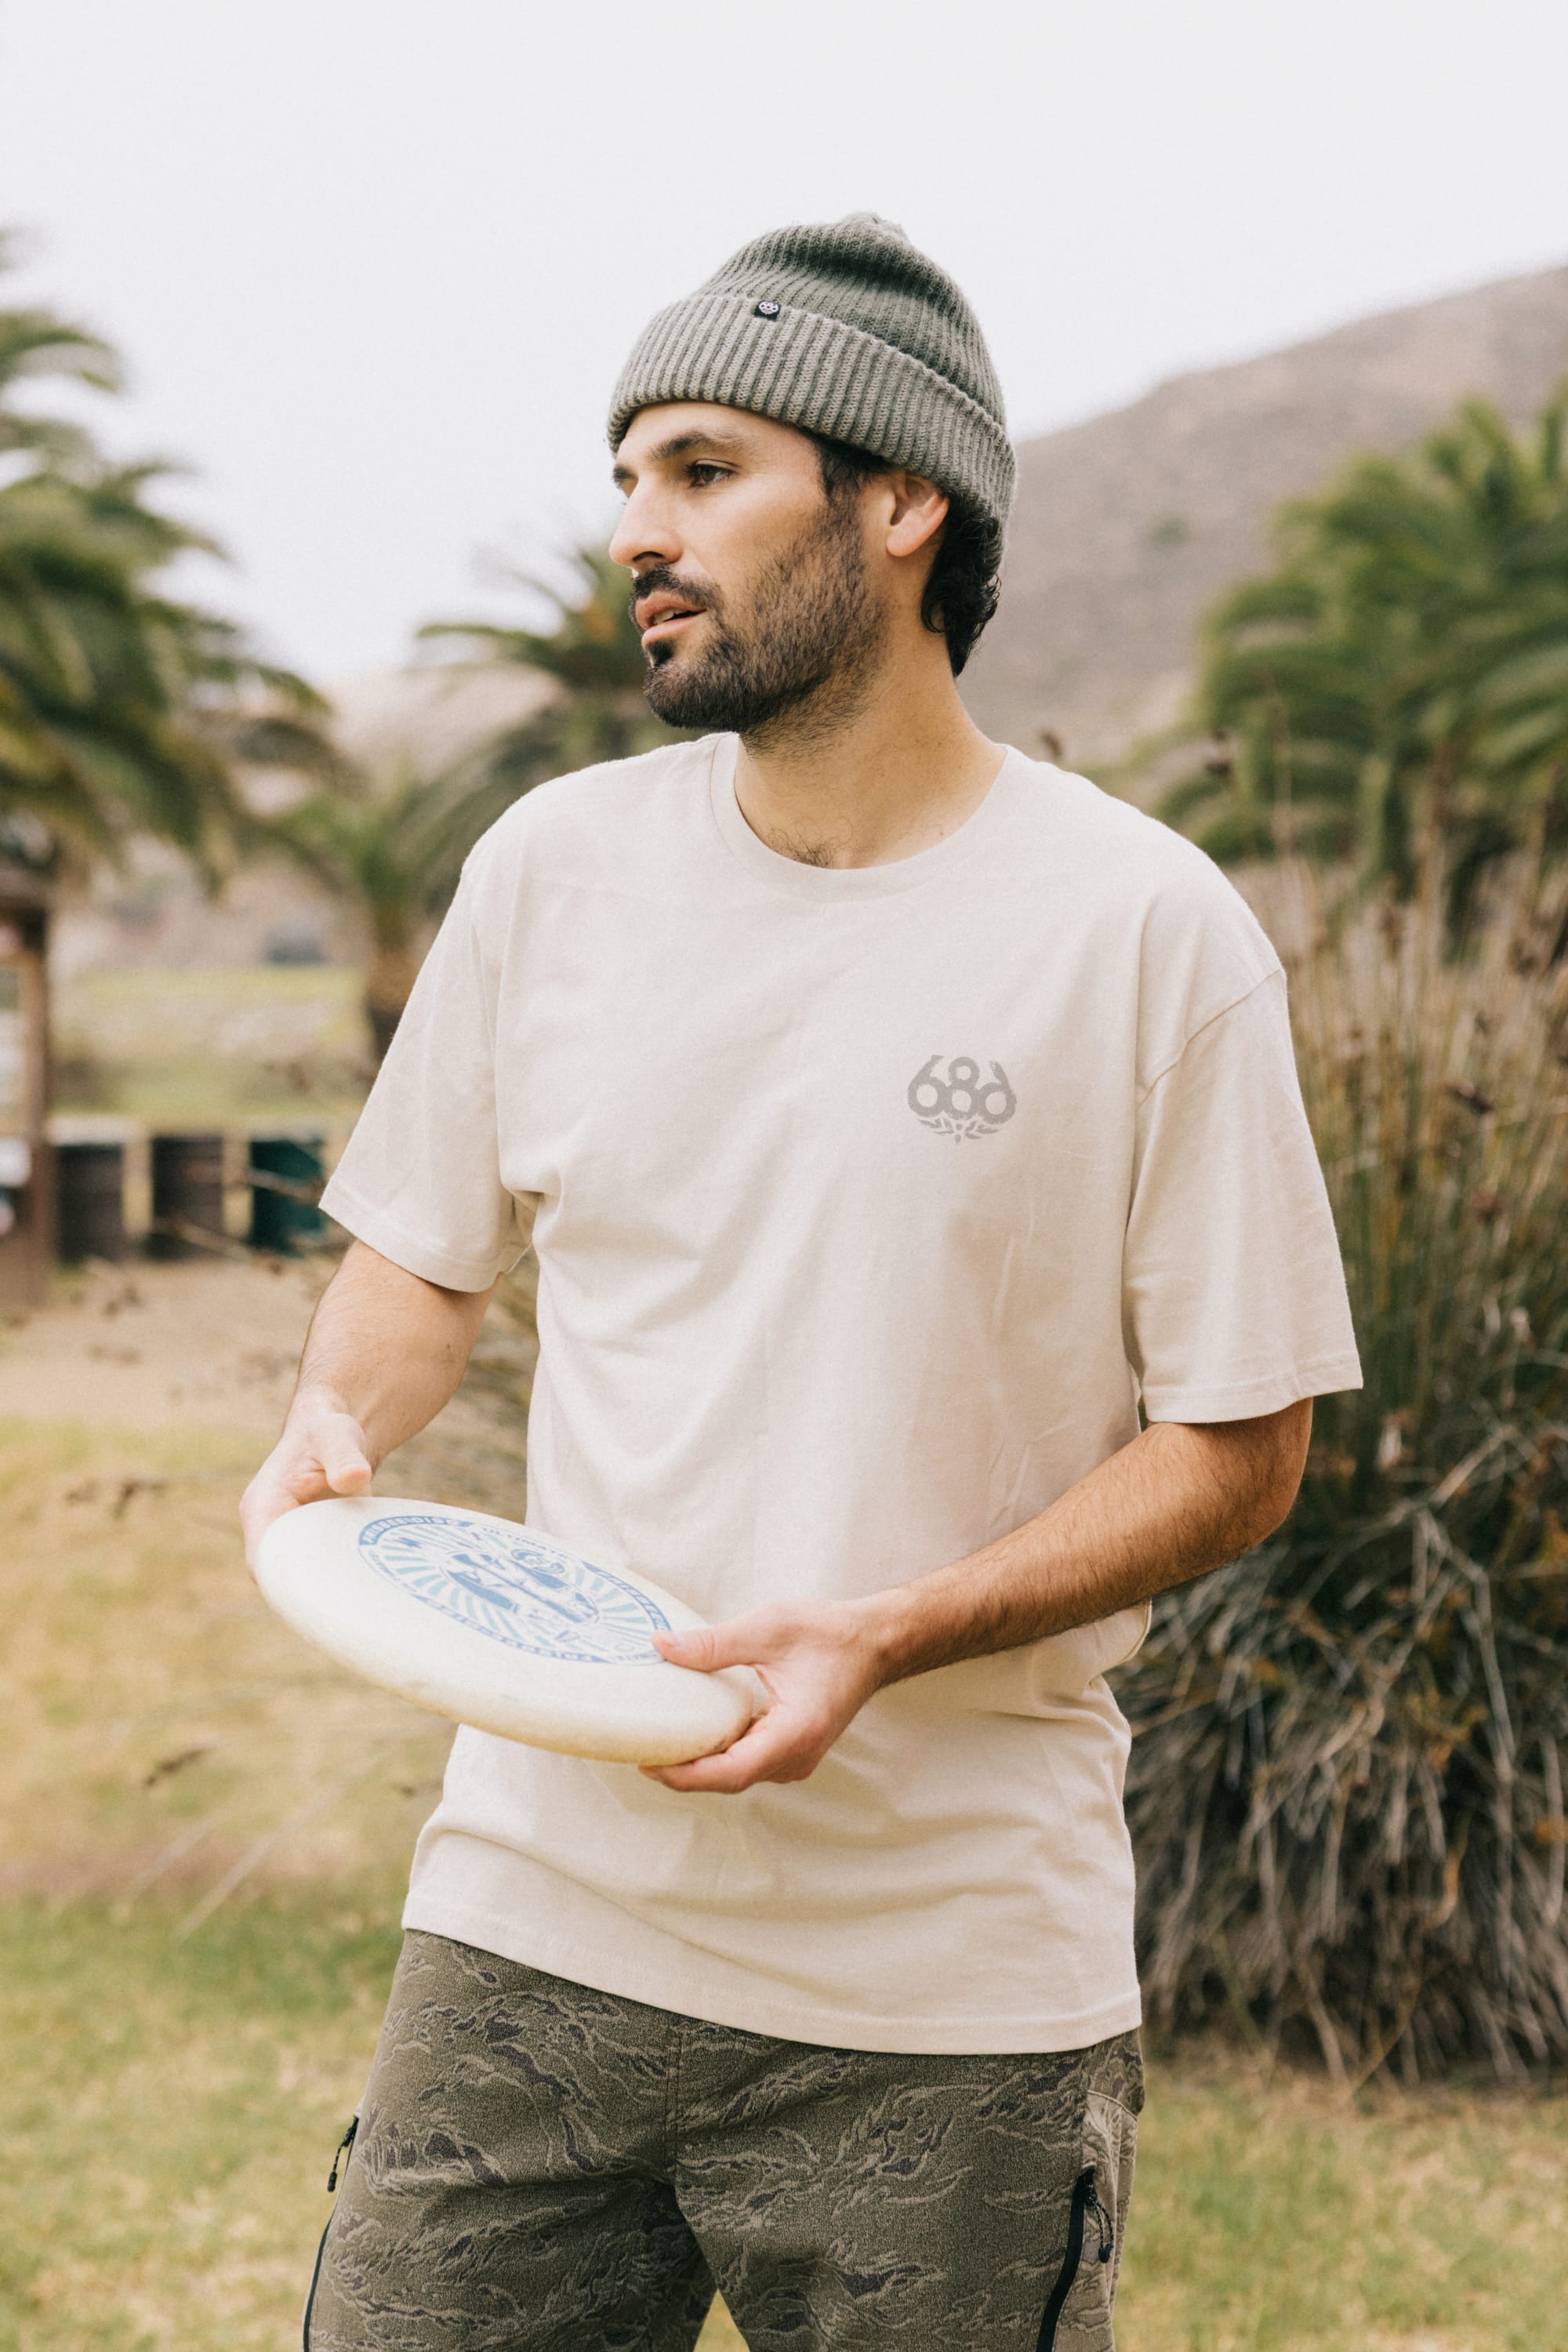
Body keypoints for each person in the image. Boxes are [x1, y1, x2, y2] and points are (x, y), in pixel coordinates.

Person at [243, 212, 1361, 2351]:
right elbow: (416, 1261)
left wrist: (896, 1627)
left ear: (901, 502)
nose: (636, 539)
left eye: (699, 470)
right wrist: (339, 1423)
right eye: (625, 485)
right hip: (531, 1931)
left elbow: (1243, 1445)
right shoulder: (551, 870)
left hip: (944, 1995)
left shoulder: (1146, 931)